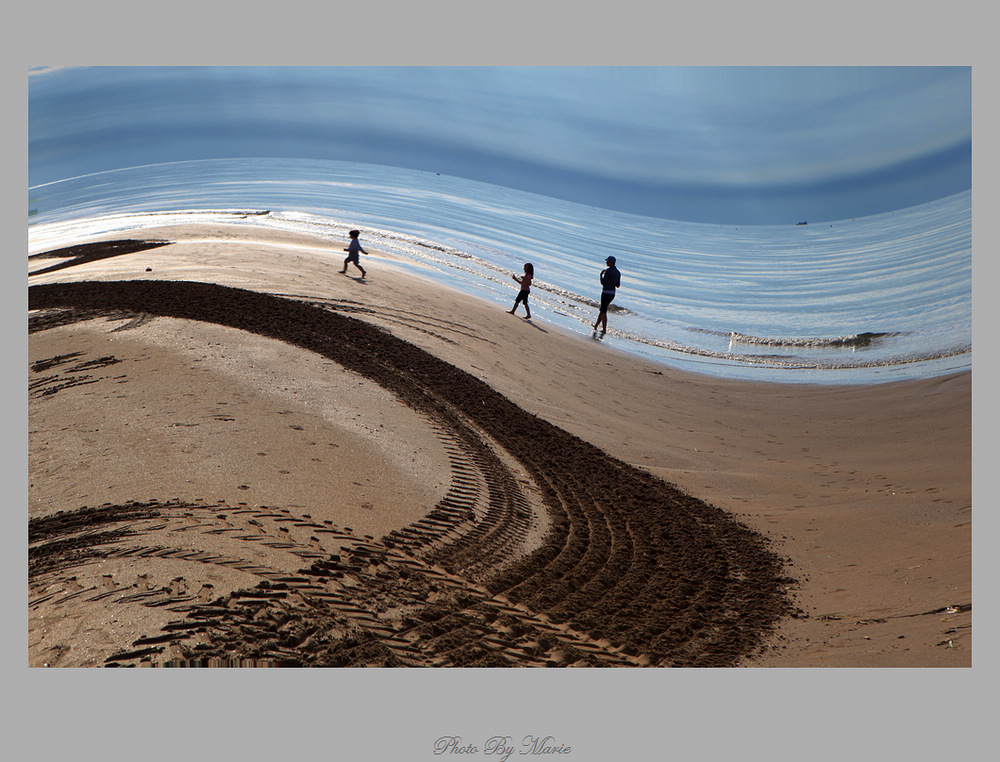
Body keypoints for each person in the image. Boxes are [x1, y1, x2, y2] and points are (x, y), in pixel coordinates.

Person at [593, 255, 621, 335]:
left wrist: (601, 275)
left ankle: (604, 329)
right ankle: (596, 326)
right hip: (612, 293)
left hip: (605, 292)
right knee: (602, 310)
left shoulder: (608, 271)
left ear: (611, 262)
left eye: (607, 261)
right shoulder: (618, 272)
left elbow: (603, 282)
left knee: (603, 311)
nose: (606, 262)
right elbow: (618, 285)